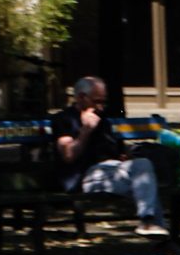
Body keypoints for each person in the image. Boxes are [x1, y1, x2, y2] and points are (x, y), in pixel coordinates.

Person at [52, 76, 164, 234]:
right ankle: (162, 244)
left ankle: (148, 222)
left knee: (144, 168)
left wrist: (126, 157)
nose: (101, 107)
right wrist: (86, 129)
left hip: (113, 172)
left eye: (103, 102)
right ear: (81, 97)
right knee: (146, 186)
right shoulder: (64, 119)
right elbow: (68, 155)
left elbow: (113, 153)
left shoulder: (103, 121)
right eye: (97, 101)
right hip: (87, 177)